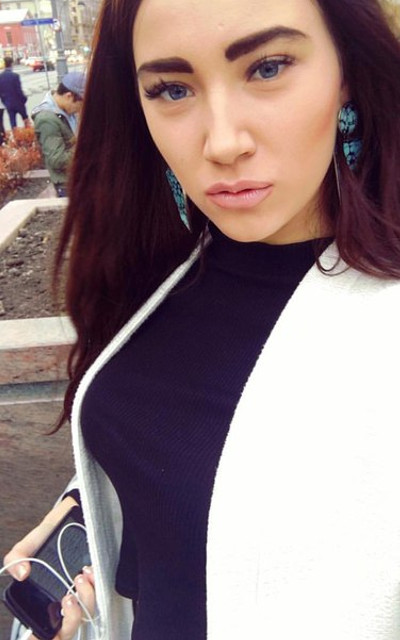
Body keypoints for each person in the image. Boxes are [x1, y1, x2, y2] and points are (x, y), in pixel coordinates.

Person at [4, 0, 400, 638]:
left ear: (347, 69)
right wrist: (87, 510)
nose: (222, 143)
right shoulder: (165, 269)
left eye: (267, 68)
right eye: (172, 89)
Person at [31, 72, 86, 198]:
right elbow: (57, 160)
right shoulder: (47, 119)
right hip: (67, 185)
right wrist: (87, 145)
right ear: (69, 96)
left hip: (78, 178)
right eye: (80, 103)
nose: (80, 108)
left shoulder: (66, 112)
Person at [0, 57, 30, 130]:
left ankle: (16, 135)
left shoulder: (1, 77)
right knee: (25, 120)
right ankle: (28, 134)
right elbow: (19, 90)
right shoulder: (15, 76)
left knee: (13, 123)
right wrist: (24, 99)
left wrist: (5, 102)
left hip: (8, 103)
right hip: (18, 102)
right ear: (12, 64)